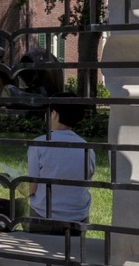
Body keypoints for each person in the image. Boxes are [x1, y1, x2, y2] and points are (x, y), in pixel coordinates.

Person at [25, 92, 95, 235]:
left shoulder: (39, 144)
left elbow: (32, 187)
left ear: (54, 114)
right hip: (78, 217)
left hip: (45, 215)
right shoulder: (87, 147)